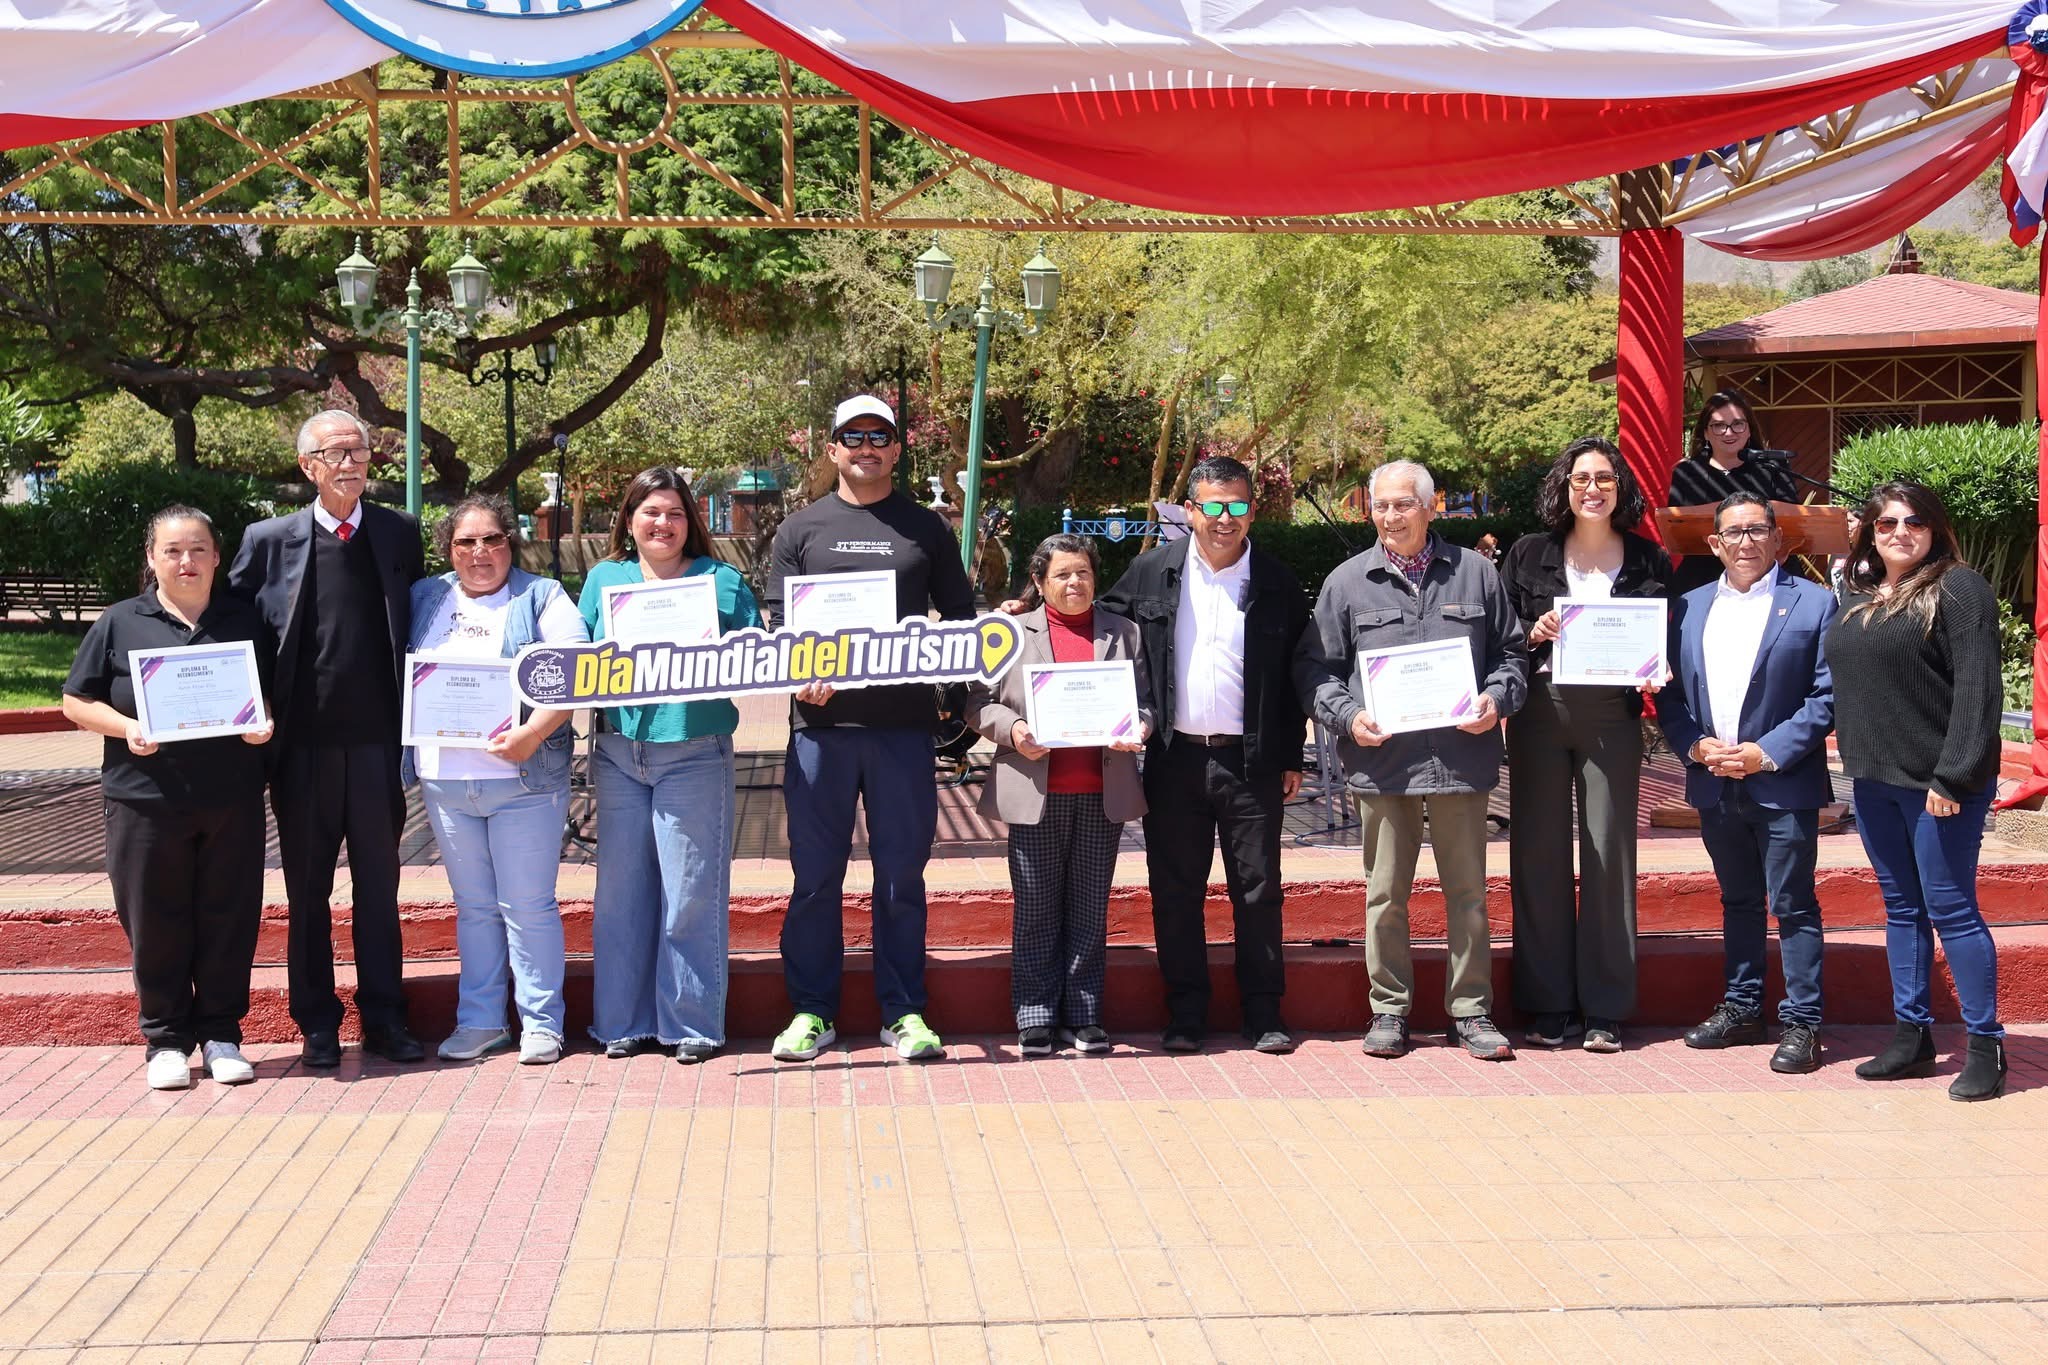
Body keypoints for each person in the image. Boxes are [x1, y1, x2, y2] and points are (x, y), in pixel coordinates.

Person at [765, 396, 975, 1063]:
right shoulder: (799, 529)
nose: (865, 446)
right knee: (815, 879)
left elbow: (963, 623)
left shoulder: (927, 529)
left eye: (878, 436)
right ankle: (811, 1012)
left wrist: (959, 702)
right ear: (830, 450)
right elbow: (778, 626)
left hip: (903, 732)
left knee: (900, 879)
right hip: (820, 732)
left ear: (897, 448)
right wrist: (800, 672)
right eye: (851, 436)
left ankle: (903, 1013)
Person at [1296, 461, 1528, 1061]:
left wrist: (1496, 700)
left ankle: (1472, 1012)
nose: (1391, 517)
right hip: (1383, 763)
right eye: (1380, 506)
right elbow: (1314, 669)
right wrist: (1348, 717)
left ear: (1431, 507)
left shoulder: (1476, 575)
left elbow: (1513, 655)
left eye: (1403, 505)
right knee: (1385, 893)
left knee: (1468, 893)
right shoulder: (1347, 582)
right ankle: (1390, 1011)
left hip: (1459, 758)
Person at [229, 410, 426, 1068]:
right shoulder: (267, 541)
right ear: (308, 466)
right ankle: (316, 1021)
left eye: (360, 449)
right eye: (336, 451)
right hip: (301, 750)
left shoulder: (399, 532)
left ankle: (385, 1018)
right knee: (307, 892)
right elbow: (233, 634)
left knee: (379, 888)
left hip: (376, 748)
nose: (351, 461)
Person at [1099, 454, 1310, 1055]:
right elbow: (1094, 624)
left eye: (1238, 506)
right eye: (1212, 505)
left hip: (1253, 764)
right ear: (1189, 510)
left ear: (1252, 511)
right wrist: (1024, 616)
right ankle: (1186, 1013)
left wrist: (1291, 753)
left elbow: (1298, 670)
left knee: (1258, 888)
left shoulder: (1275, 580)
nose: (1225, 518)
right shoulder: (1150, 572)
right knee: (1175, 889)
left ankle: (1264, 1012)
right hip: (1175, 760)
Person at [63, 506, 275, 1090]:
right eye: (173, 550)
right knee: (155, 919)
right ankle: (165, 1041)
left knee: (229, 917)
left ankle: (223, 1035)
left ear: (217, 556)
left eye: (199, 549)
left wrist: (264, 724)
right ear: (152, 558)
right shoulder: (119, 622)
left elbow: (273, 695)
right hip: (144, 799)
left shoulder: (246, 619)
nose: (187, 561)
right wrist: (125, 727)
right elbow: (76, 702)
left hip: (230, 798)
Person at [1828, 482, 2008, 1100]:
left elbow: (1980, 692)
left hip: (1939, 785)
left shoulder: (1959, 588)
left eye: (1913, 522)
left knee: (1951, 908)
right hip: (1875, 780)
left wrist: (1954, 776)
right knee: (1901, 909)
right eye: (1885, 524)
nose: (1899, 532)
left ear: (1933, 528)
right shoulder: (1857, 596)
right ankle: (1913, 1036)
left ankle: (1985, 1044)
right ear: (1869, 533)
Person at [580, 467, 762, 1064]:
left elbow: (758, 655)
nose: (663, 523)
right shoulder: (606, 579)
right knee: (620, 898)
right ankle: (620, 1024)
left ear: (693, 523)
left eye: (676, 513)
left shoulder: (721, 580)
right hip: (617, 754)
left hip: (693, 752)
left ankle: (690, 1024)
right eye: (651, 512)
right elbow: (578, 657)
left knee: (690, 895)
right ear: (629, 520)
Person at [1497, 438, 1669, 1052]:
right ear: (1563, 489)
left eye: (1603, 478)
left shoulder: (1649, 560)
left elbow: (1659, 641)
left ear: (1620, 488)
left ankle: (1604, 1005)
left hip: (1611, 717)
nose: (1591, 489)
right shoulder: (1527, 554)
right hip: (1542, 711)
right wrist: (1531, 630)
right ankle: (1547, 1002)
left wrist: (1656, 668)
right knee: (1537, 853)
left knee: (1608, 853)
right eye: (1580, 480)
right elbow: (1499, 637)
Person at [1657, 492, 1835, 1074]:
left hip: (1782, 782)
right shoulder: (1687, 608)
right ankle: (1742, 1009)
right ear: (1714, 544)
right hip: (1715, 781)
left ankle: (1803, 1023)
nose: (1745, 542)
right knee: (1738, 901)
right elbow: (1671, 695)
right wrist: (1694, 746)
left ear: (1778, 540)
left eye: (1757, 531)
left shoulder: (1813, 604)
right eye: (1732, 533)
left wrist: (1767, 752)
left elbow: (1825, 696)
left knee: (1793, 903)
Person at [406, 495, 587, 1066]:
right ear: (449, 549)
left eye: (493, 539)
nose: (481, 552)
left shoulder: (542, 597)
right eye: (466, 542)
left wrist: (533, 733)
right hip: (446, 781)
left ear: (511, 542)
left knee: (528, 905)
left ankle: (541, 1023)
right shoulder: (425, 597)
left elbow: (576, 672)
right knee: (474, 907)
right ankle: (481, 1021)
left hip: (525, 779)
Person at [968, 534, 1151, 1056]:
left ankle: (1085, 1014)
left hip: (1103, 792)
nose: (1075, 583)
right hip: (1034, 792)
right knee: (1036, 908)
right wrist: (1015, 729)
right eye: (1063, 575)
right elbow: (976, 704)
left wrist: (1139, 726)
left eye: (1084, 573)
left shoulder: (1125, 634)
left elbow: (1146, 704)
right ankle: (1035, 1015)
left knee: (1091, 909)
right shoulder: (1010, 633)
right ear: (1040, 582)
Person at [1667, 391, 1797, 596]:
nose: (1729, 433)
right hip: (1703, 576)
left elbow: (1794, 522)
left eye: (1738, 424)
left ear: (1749, 430)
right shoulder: (1687, 473)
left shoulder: (1774, 468)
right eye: (1719, 426)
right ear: (1706, 433)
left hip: (1769, 573)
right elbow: (1676, 531)